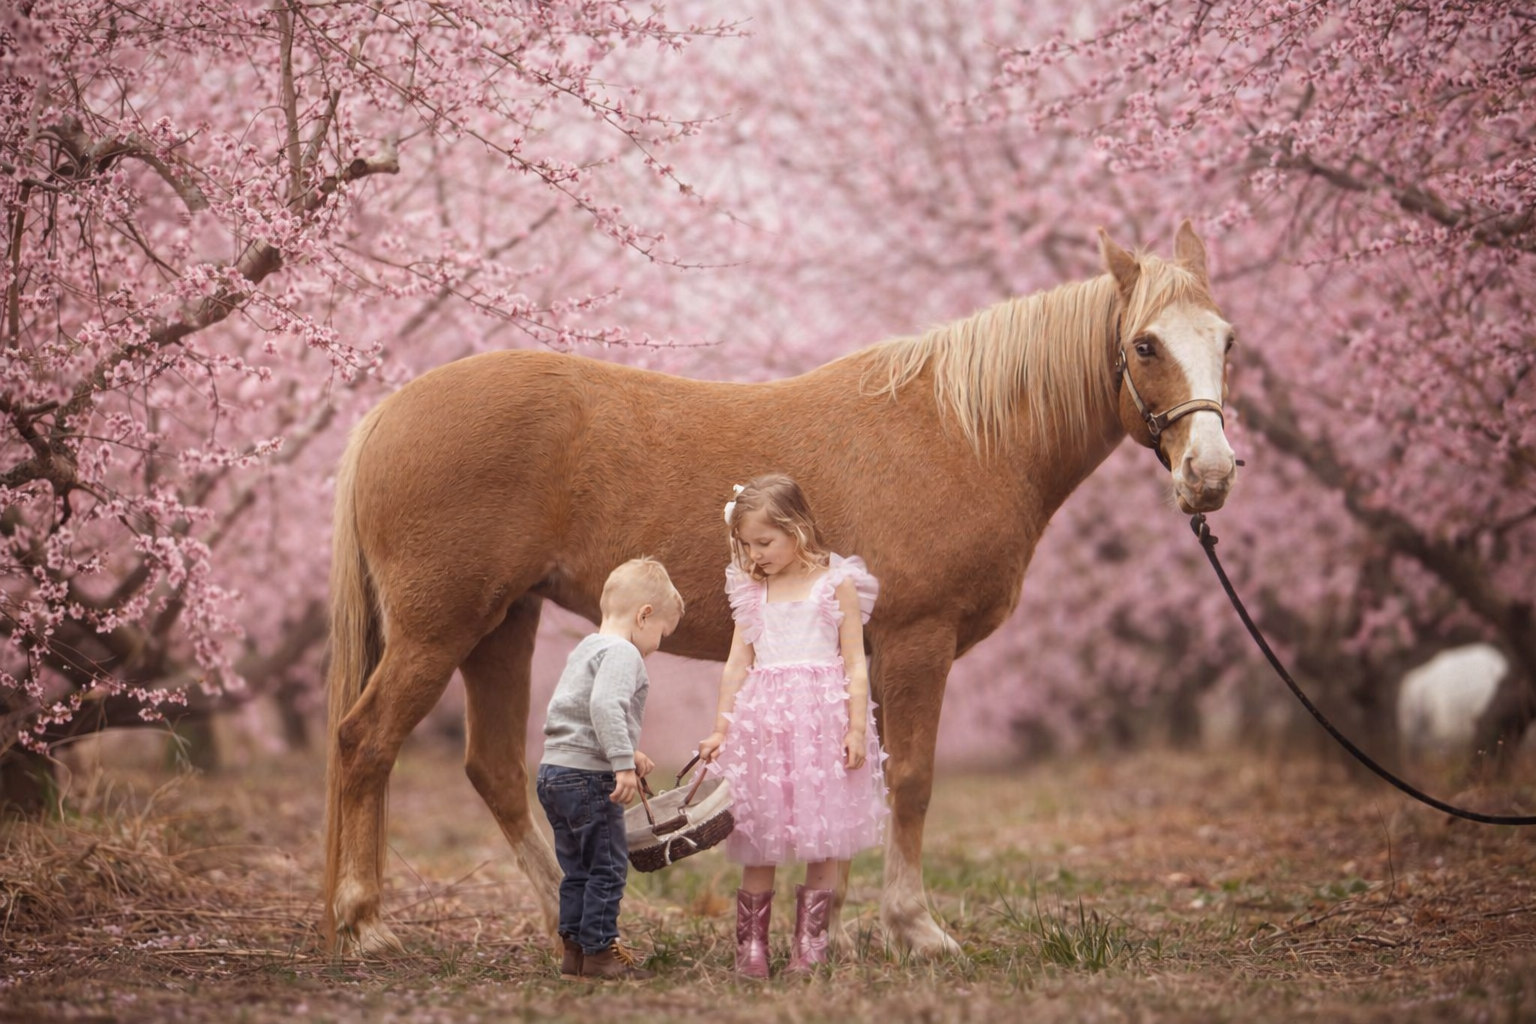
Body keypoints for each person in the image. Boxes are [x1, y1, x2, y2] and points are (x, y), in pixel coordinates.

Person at [698, 474, 888, 978]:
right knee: (760, 831)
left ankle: (811, 943)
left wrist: (853, 727)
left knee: (822, 830)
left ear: (797, 529)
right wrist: (721, 728)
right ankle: (752, 948)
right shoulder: (752, 591)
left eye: (764, 542)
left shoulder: (835, 583)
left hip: (823, 723)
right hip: (765, 725)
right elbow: (738, 663)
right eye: (746, 545)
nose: (755, 554)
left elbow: (855, 661)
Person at [537, 556, 684, 981]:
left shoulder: (586, 647)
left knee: (577, 870)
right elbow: (605, 705)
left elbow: (582, 712)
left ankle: (574, 951)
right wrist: (621, 765)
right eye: (661, 634)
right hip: (588, 780)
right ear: (644, 616)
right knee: (607, 867)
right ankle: (600, 952)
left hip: (555, 773)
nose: (658, 644)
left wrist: (628, 753)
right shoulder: (624, 653)